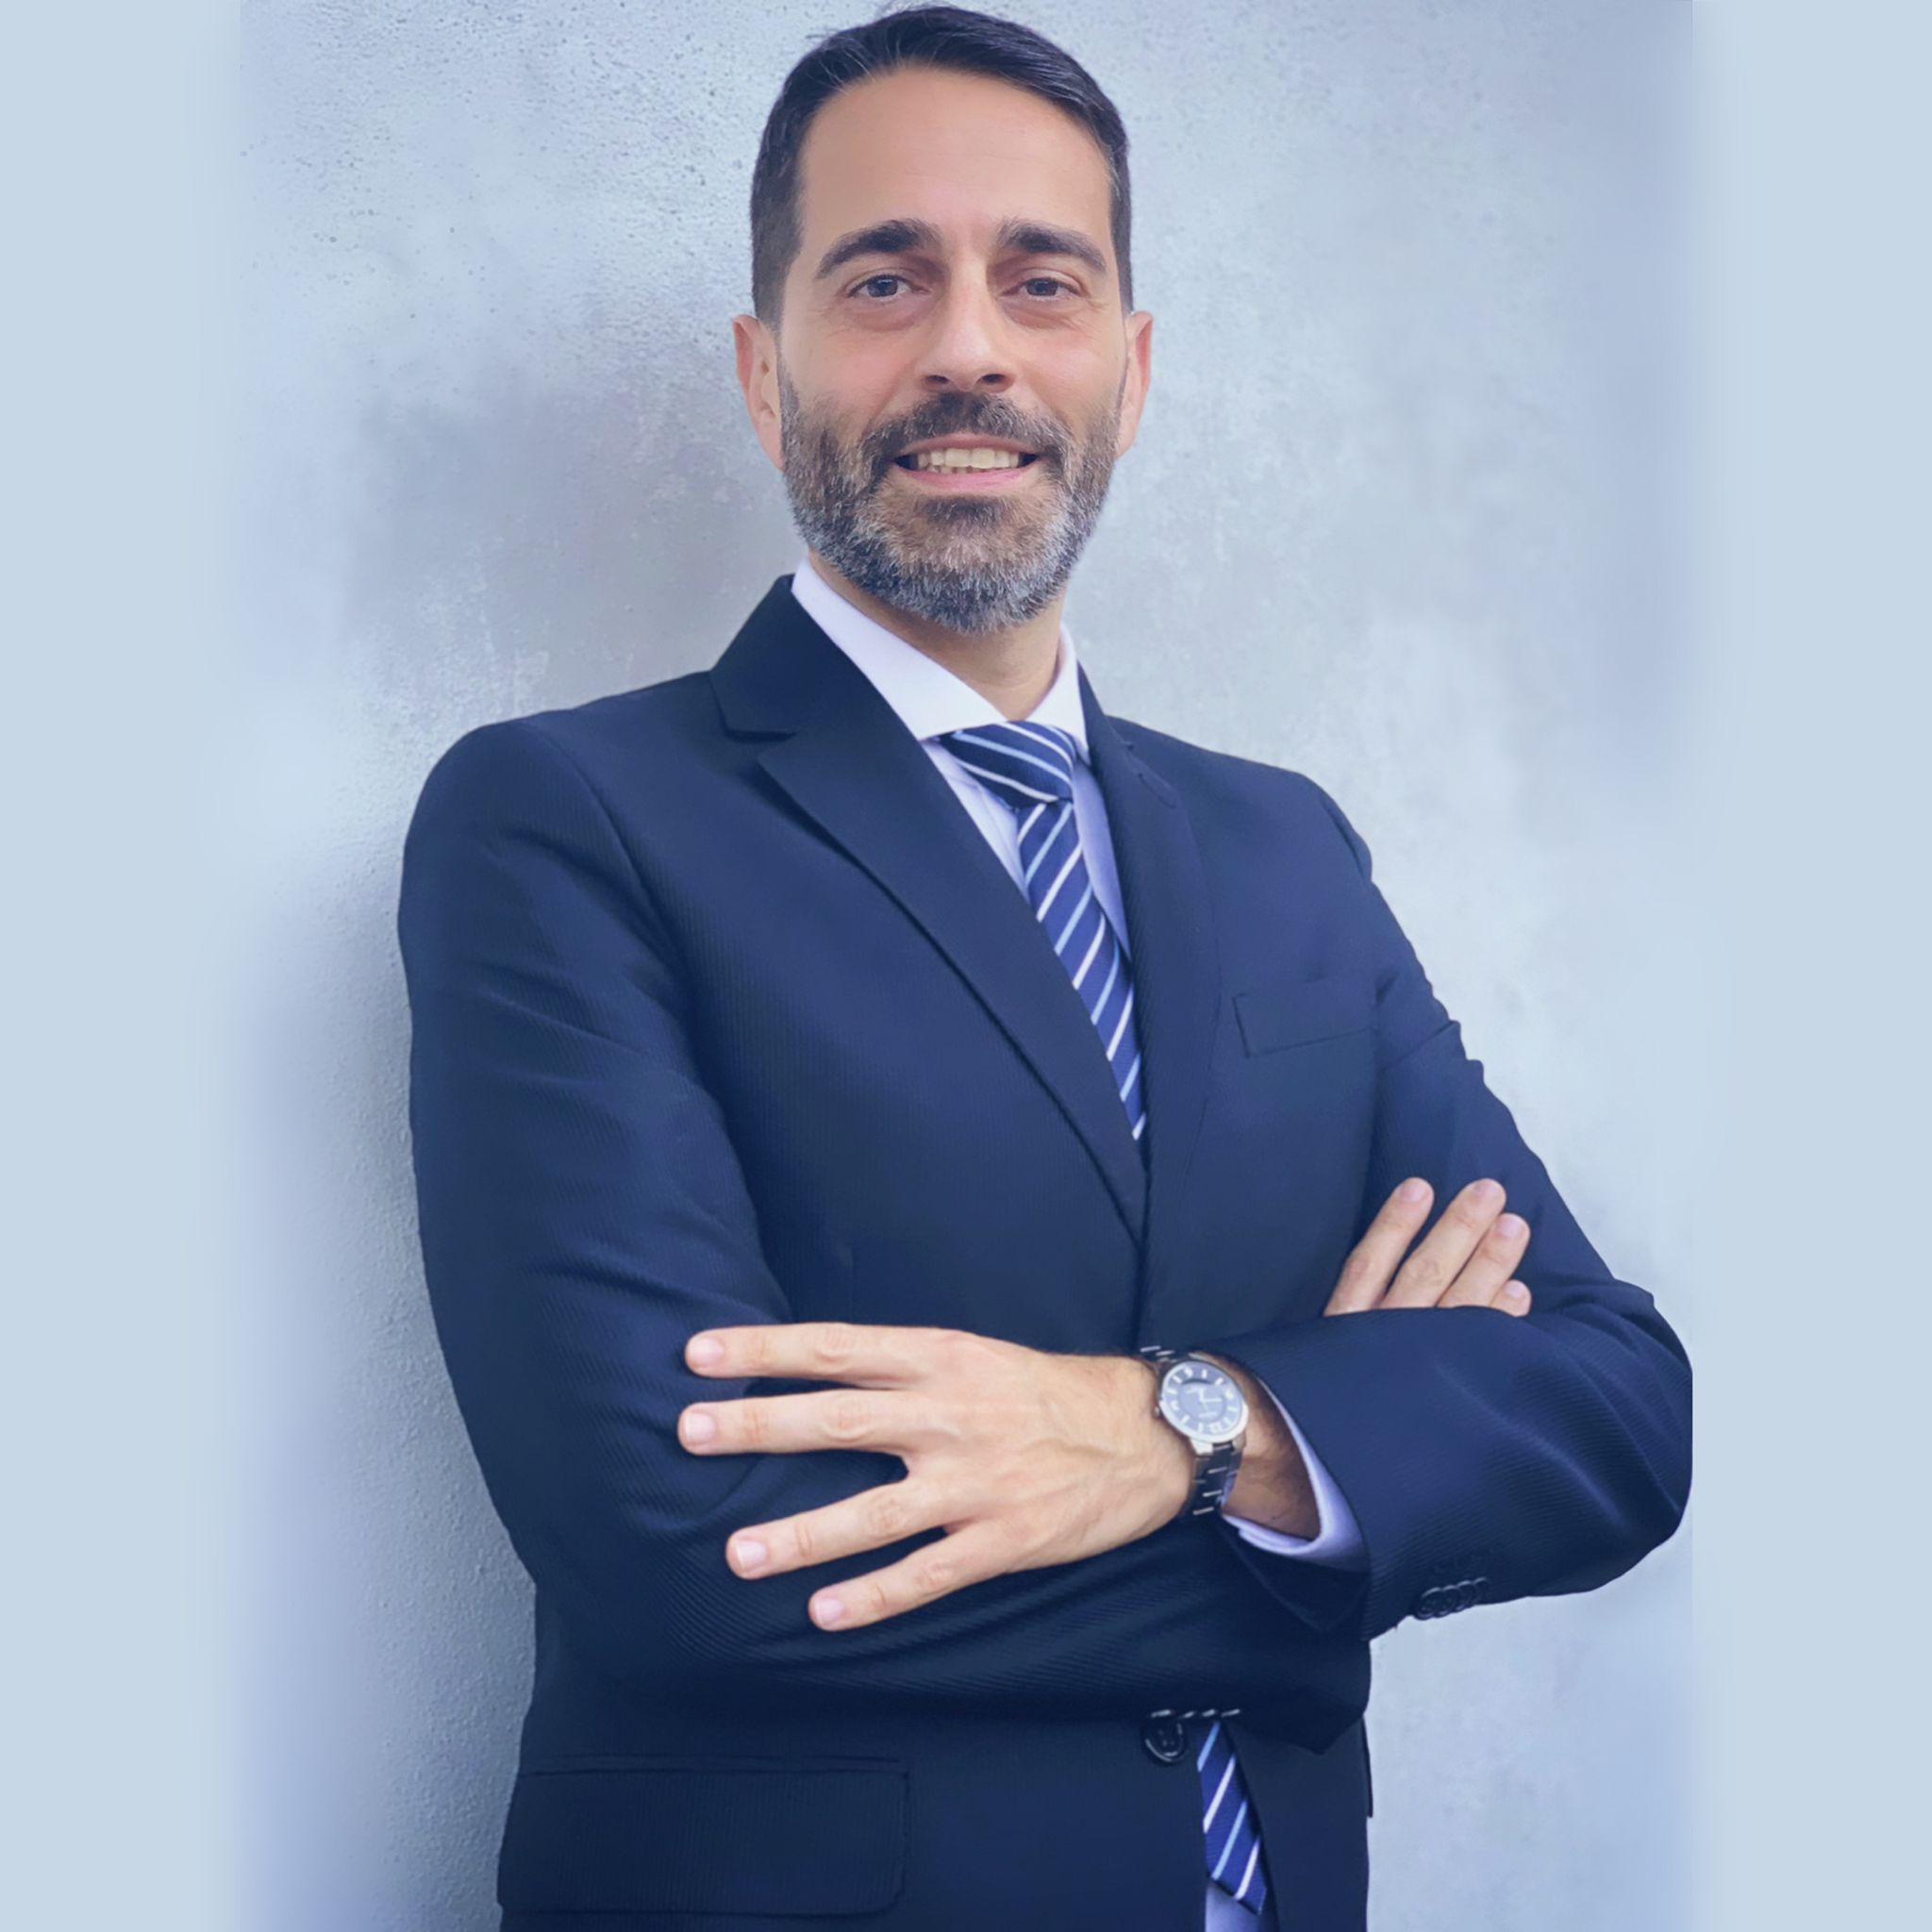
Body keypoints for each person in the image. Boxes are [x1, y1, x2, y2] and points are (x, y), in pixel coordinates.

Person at [395, 8, 1691, 1927]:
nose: (970, 348)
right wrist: (1330, 1464)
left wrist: (1166, 1430)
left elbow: (1611, 1412)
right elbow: (689, 1543)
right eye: (883, 279)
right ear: (763, 372)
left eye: (1042, 279)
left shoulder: (1285, 848)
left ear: (1130, 370)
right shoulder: (567, 820)